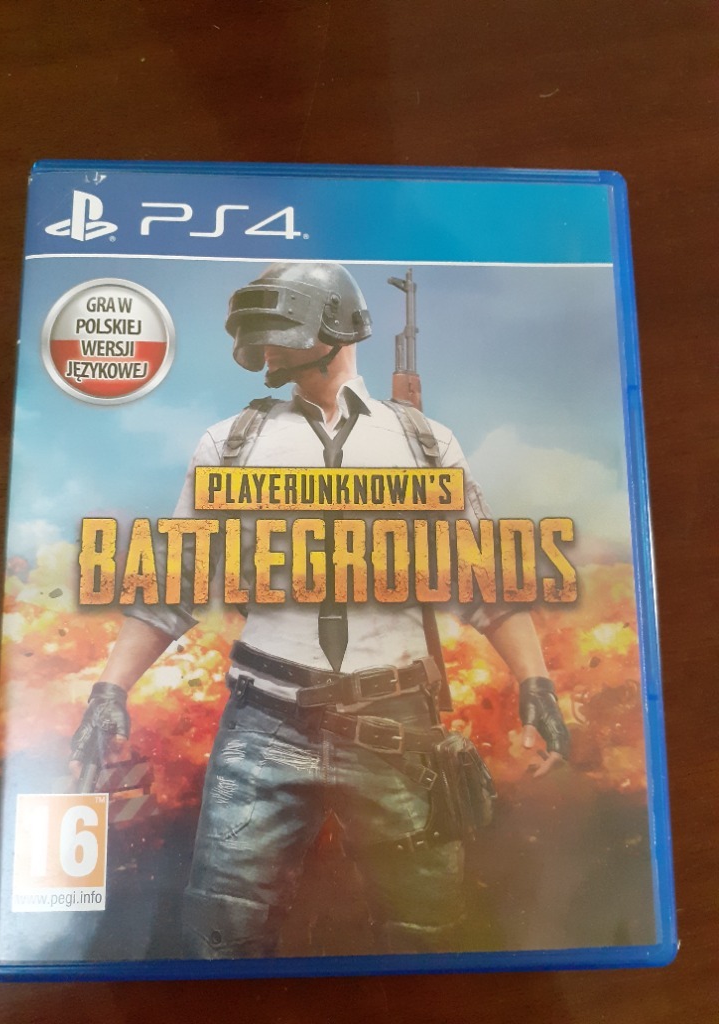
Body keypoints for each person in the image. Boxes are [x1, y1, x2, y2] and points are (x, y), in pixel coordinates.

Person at [70, 262, 569, 957]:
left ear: (332, 329)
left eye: (277, 330)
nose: (262, 349)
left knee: (428, 938)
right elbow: (174, 584)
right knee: (221, 937)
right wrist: (108, 690)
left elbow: (486, 583)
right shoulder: (231, 444)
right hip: (264, 723)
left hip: (398, 728)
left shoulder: (425, 443)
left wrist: (536, 684)